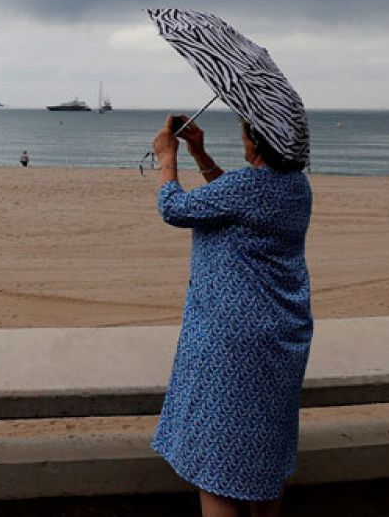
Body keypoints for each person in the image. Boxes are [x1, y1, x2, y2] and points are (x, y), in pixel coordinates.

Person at [149, 113, 313, 517]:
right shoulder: (296, 186)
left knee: (216, 468)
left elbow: (174, 207)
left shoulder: (247, 188)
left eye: (244, 133)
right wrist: (200, 153)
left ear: (255, 142)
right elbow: (233, 201)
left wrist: (167, 158)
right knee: (264, 460)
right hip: (281, 333)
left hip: (232, 341)